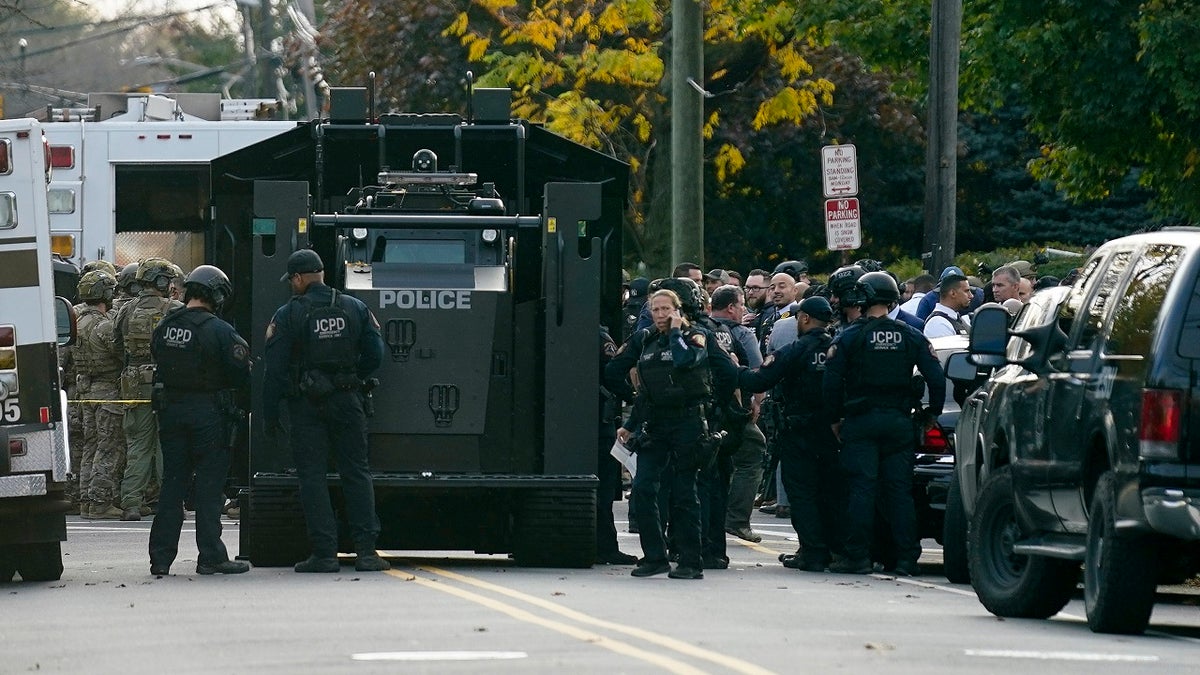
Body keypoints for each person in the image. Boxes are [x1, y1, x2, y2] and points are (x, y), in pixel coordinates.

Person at [262, 249, 390, 573]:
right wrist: (350, 377)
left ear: (299, 278)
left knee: (313, 478)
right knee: (357, 473)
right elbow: (376, 354)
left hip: (306, 405)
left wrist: (270, 412)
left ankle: (324, 554)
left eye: (292, 279)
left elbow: (274, 369)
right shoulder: (355, 307)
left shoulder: (288, 313)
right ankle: (366, 553)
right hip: (348, 402)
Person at [823, 272, 945, 576]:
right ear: (892, 299)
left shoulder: (850, 336)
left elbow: (831, 383)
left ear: (862, 299)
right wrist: (932, 412)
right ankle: (905, 559)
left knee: (862, 489)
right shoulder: (911, 335)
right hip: (899, 421)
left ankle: (858, 556)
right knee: (899, 492)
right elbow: (936, 377)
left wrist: (834, 419)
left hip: (861, 421)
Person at [147, 265, 251, 576]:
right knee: (209, 485)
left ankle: (160, 559)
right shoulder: (219, 330)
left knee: (173, 484)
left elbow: (156, 357)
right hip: (208, 414)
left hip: (171, 413)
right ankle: (211, 556)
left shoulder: (166, 326)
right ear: (217, 295)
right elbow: (241, 372)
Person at [605, 288, 712, 580]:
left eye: (667, 309)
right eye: (656, 310)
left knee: (684, 492)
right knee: (642, 489)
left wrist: (676, 333)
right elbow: (646, 392)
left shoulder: (695, 335)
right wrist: (631, 424)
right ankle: (655, 556)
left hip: (687, 422)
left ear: (677, 310)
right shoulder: (646, 340)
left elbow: (684, 361)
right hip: (656, 423)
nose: (661, 315)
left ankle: (691, 561)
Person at [739, 296, 843, 571]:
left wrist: (731, 367)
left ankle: (812, 552)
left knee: (802, 493)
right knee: (830, 491)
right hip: (834, 431)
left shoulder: (796, 349)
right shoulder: (839, 346)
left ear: (806, 318)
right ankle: (833, 548)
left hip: (800, 431)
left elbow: (759, 379)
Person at [115, 257, 183, 521]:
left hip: (133, 384)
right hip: (166, 383)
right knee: (168, 444)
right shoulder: (175, 308)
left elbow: (116, 345)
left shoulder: (125, 310)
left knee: (138, 445)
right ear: (162, 281)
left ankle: (131, 503)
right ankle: (170, 502)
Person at [708, 286, 767, 544]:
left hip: (704, 408)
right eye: (741, 304)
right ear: (731, 307)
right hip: (732, 409)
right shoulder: (740, 333)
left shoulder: (702, 329)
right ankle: (737, 520)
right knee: (754, 448)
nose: (744, 310)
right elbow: (755, 372)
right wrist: (756, 402)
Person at [74, 270, 127, 520]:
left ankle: (86, 500)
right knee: (108, 447)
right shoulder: (103, 325)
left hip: (85, 392)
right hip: (108, 392)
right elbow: (121, 354)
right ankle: (100, 502)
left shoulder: (77, 321)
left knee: (89, 447)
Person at [597, 325, 638, 565]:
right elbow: (611, 374)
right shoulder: (599, 337)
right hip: (600, 422)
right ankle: (605, 547)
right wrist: (636, 397)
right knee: (603, 487)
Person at [922, 267, 972, 338]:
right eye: (966, 291)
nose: (971, 296)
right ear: (953, 293)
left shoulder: (957, 319)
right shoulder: (938, 324)